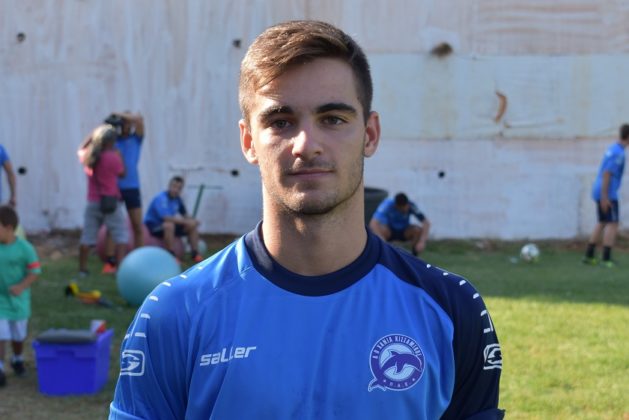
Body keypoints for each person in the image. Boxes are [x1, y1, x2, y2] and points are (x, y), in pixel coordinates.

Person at [110, 20, 503, 419]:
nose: (306, 145)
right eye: (280, 122)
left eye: (332, 119)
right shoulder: (175, 314)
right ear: (248, 142)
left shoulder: (451, 309)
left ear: (369, 134)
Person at [77, 125, 128, 276]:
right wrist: (120, 156)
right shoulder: (113, 157)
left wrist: (94, 133)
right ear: (112, 142)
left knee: (87, 237)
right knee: (120, 235)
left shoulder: (89, 156)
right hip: (111, 201)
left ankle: (82, 270)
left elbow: (80, 149)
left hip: (93, 201)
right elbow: (122, 173)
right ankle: (120, 268)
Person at [0, 205, 41, 387]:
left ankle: (17, 358)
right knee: (1, 334)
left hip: (18, 302)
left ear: (8, 227)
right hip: (1, 301)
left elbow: (34, 271)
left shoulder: (25, 248)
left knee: (18, 335)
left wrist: (21, 286)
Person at [583, 123, 629, 268]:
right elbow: (607, 173)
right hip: (607, 192)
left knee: (602, 221)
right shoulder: (619, 153)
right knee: (612, 223)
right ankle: (606, 258)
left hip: (599, 188)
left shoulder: (613, 148)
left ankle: (589, 255)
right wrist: (605, 197)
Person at [102, 112, 145, 265]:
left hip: (132, 188)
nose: (125, 126)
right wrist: (115, 121)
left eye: (127, 123)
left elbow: (139, 119)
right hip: (115, 189)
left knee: (137, 225)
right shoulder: (113, 141)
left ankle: (139, 259)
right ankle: (110, 261)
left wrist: (120, 115)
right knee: (112, 226)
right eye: (123, 123)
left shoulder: (136, 139)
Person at [143, 176, 203, 263]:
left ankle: (195, 254)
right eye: (174, 186)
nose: (176, 190)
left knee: (192, 226)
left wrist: (193, 220)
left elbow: (185, 214)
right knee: (169, 225)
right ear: (169, 186)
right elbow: (165, 218)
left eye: (179, 188)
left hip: (169, 226)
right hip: (154, 226)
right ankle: (171, 255)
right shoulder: (161, 198)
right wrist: (186, 222)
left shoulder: (178, 199)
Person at [369, 192, 431, 256]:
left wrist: (422, 241)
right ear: (396, 206)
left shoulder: (411, 206)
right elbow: (373, 223)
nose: (404, 210)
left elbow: (426, 223)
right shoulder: (387, 204)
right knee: (380, 229)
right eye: (401, 210)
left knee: (417, 230)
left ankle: (414, 255)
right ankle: (384, 253)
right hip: (390, 230)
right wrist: (382, 241)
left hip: (404, 231)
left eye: (405, 208)